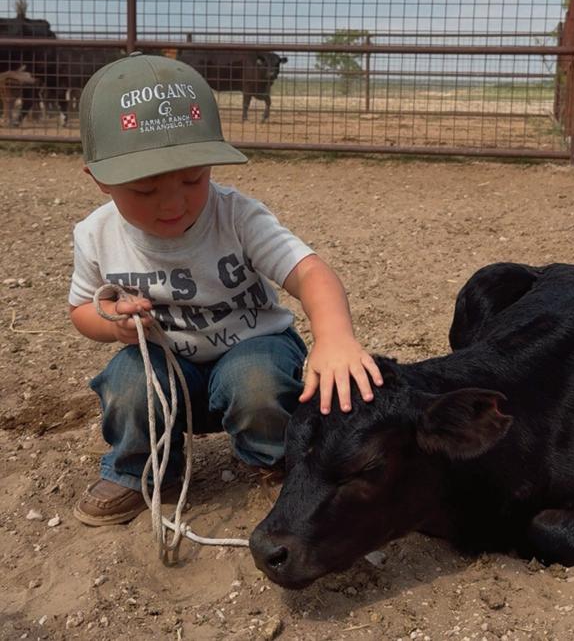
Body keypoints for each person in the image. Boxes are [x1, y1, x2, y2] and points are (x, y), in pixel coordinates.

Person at [69, 52, 383, 526]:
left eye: (193, 178)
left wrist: (335, 337)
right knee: (127, 383)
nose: (173, 203)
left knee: (257, 381)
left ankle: (277, 461)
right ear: (99, 179)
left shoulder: (237, 216)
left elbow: (310, 272)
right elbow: (82, 309)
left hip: (252, 347)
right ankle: (140, 468)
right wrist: (114, 324)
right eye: (145, 190)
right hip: (166, 364)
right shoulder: (96, 235)